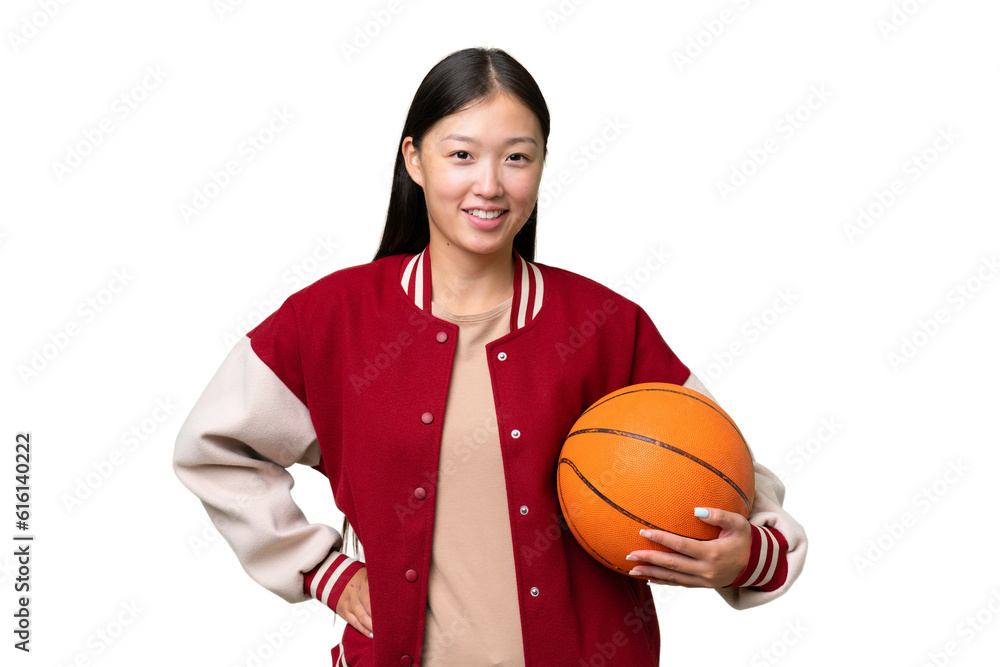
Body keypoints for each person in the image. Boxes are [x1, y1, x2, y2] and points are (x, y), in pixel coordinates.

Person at [173, 46, 807, 667]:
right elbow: (215, 448)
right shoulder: (332, 319)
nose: (489, 184)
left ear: (541, 166)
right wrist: (325, 572)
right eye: (461, 155)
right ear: (413, 159)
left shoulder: (605, 327)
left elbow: (734, 480)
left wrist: (748, 555)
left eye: (516, 158)